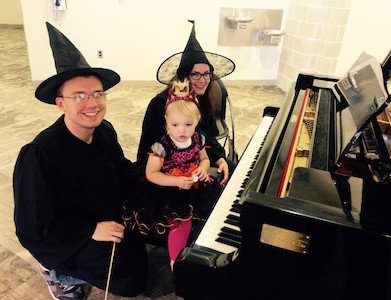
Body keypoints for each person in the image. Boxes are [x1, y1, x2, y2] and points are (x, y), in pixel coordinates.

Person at [13, 22, 147, 299]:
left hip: (106, 214)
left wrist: (157, 172)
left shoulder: (104, 130)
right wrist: (89, 230)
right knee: (123, 274)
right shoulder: (40, 155)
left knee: (139, 261)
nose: (92, 104)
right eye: (80, 96)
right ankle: (58, 272)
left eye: (98, 93)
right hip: (68, 234)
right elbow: (33, 226)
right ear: (60, 103)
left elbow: (121, 171)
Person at [124, 79, 222, 270]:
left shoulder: (198, 138)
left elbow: (204, 159)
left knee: (212, 210)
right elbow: (151, 173)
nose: (182, 130)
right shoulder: (162, 146)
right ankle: (175, 263)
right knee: (180, 223)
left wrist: (203, 167)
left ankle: (202, 247)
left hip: (194, 183)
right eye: (175, 125)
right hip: (168, 187)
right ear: (167, 122)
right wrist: (176, 180)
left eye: (188, 124)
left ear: (198, 121)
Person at [137, 20, 236, 187]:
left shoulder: (204, 100)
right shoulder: (160, 103)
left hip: (197, 164)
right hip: (168, 171)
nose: (202, 80)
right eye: (195, 74)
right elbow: (149, 145)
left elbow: (209, 136)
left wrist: (219, 158)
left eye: (206, 74)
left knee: (231, 170)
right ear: (184, 76)